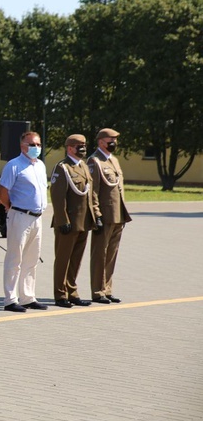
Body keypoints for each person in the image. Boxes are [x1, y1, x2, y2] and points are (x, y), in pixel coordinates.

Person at [0, 131, 49, 313]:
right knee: (15, 258)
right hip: (19, 216)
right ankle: (10, 299)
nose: (36, 148)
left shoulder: (40, 165)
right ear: (22, 146)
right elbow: (2, 192)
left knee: (31, 259)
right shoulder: (14, 165)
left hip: (37, 217)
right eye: (32, 145)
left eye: (38, 144)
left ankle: (27, 297)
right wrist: (11, 206)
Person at [50, 134, 101, 308]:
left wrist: (96, 215)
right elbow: (57, 197)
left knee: (76, 260)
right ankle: (60, 294)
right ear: (69, 147)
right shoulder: (63, 168)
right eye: (79, 145)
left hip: (84, 222)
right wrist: (62, 219)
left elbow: (91, 194)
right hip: (68, 222)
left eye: (85, 145)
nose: (83, 148)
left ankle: (72, 292)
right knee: (63, 259)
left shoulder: (84, 167)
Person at [89, 128, 131, 304]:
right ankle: (98, 291)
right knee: (100, 254)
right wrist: (96, 214)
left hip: (118, 214)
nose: (114, 143)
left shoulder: (113, 160)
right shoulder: (94, 161)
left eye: (115, 139)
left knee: (111, 254)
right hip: (105, 215)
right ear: (101, 142)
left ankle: (107, 288)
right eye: (110, 140)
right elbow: (93, 191)